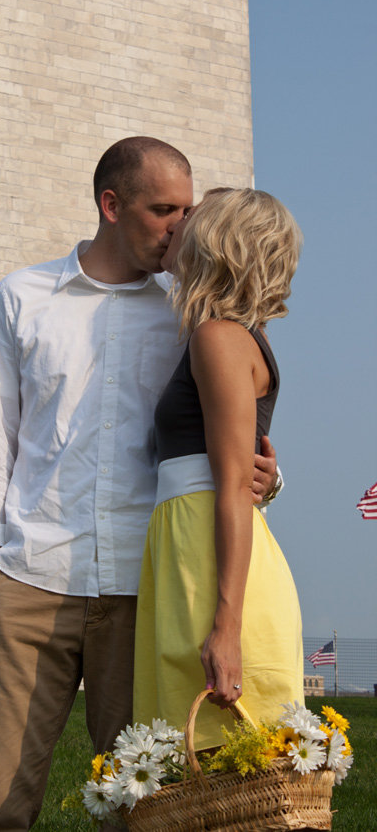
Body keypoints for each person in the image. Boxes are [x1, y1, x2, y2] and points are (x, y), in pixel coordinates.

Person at [0, 139, 280, 831]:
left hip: (142, 586)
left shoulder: (188, 316)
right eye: (164, 209)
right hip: (31, 577)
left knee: (143, 804)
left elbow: (223, 428)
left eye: (189, 210)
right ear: (110, 205)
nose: (182, 227)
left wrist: (267, 475)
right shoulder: (23, 296)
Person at [133, 187, 305, 752]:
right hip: (191, 550)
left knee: (226, 765)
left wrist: (225, 627)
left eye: (193, 212)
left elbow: (231, 483)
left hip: (209, 563)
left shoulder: (219, 338)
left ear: (216, 238)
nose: (178, 220)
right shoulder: (224, 335)